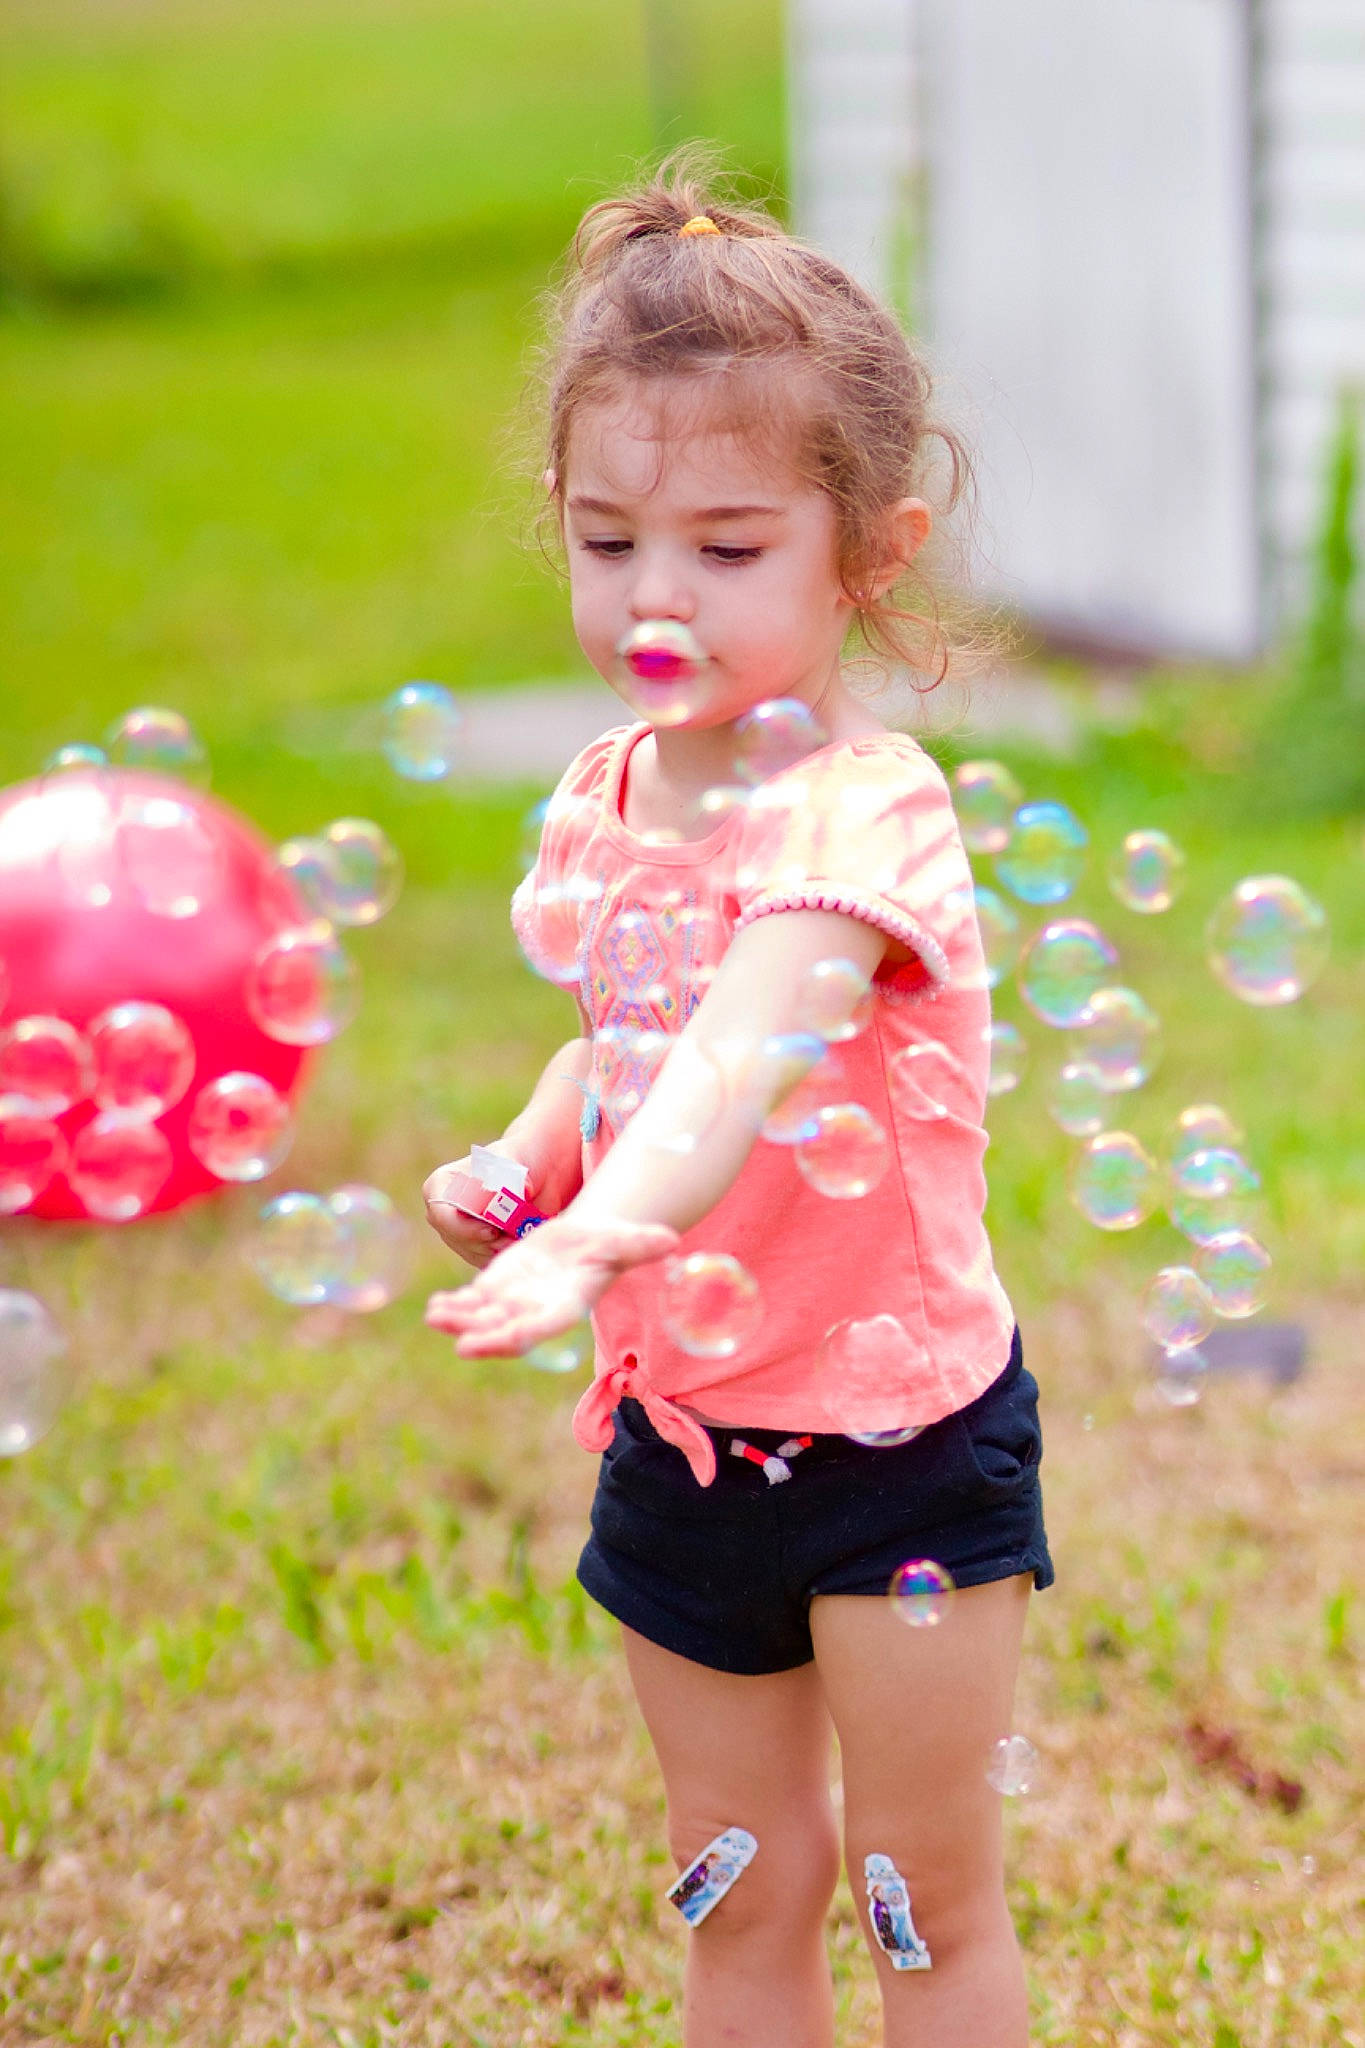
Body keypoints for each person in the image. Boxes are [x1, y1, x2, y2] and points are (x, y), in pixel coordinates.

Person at [423, 154, 1052, 2048]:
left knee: (920, 1902)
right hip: (684, 1441)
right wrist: (528, 1163)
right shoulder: (602, 796)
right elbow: (623, 1045)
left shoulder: (864, 815)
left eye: (725, 546)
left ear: (868, 549)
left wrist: (605, 1229)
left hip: (895, 1448)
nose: (654, 595)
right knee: (739, 1878)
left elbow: (745, 1048)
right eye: (606, 539)